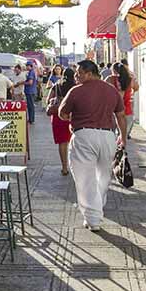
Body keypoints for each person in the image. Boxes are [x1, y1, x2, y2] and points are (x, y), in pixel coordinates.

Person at [59, 60, 127, 232]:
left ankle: (93, 218)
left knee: (84, 178)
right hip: (108, 136)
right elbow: (121, 116)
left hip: (84, 136)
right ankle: (97, 207)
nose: (76, 76)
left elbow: (62, 113)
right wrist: (123, 138)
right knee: (103, 175)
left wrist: (71, 118)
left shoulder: (76, 91)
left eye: (79, 73)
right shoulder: (112, 91)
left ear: (89, 73)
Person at [47, 67, 77, 175]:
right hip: (72, 116)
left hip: (58, 116)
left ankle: (64, 167)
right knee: (75, 141)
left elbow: (48, 101)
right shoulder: (76, 87)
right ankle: (75, 166)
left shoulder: (56, 86)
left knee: (62, 143)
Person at [116, 61, 139, 139]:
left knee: (119, 135)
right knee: (124, 136)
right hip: (128, 109)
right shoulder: (130, 79)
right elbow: (136, 88)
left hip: (117, 110)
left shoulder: (114, 80)